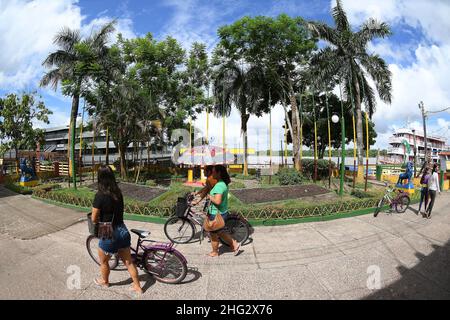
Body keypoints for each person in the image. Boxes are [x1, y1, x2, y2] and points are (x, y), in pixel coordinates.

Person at [91, 165, 143, 294]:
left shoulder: (99, 195)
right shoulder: (118, 192)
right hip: (122, 228)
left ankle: (105, 282)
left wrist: (99, 221)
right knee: (129, 262)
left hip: (107, 229)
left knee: (103, 262)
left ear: (100, 178)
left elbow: (93, 218)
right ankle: (137, 287)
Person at [206, 165, 241, 257]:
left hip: (216, 214)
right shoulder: (222, 183)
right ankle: (234, 244)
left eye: (213, 172)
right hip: (221, 212)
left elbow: (217, 201)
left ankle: (215, 252)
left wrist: (210, 196)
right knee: (220, 232)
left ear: (219, 173)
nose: (212, 173)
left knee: (213, 234)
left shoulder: (219, 186)